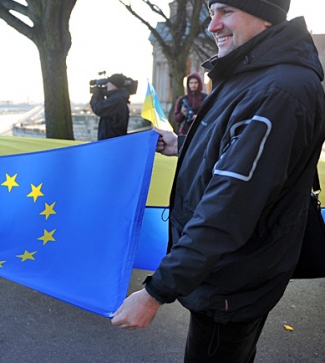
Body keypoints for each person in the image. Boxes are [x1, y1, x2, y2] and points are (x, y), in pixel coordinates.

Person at [111, 1, 325, 361]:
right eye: (211, 12)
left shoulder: (278, 90)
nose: (213, 26)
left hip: (232, 276)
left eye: (225, 11)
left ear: (265, 13)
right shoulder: (254, 73)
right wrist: (182, 144)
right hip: (232, 270)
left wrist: (155, 292)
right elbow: (238, 153)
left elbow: (228, 208)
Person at [90, 73, 130, 140]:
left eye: (108, 83)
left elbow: (98, 108)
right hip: (112, 140)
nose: (106, 85)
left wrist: (96, 95)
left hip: (111, 141)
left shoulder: (117, 100)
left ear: (114, 85)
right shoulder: (119, 98)